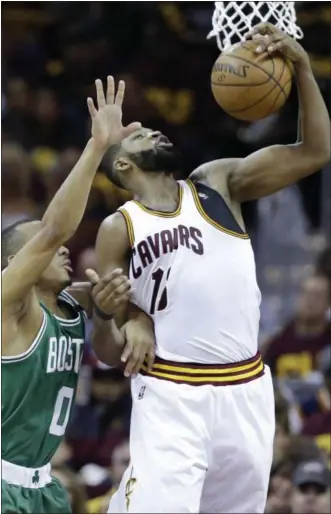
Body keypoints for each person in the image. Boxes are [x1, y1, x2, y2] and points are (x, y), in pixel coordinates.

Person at [90, 24, 330, 513]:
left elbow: (315, 151)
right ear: (121, 168)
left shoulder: (216, 183)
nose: (151, 129)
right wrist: (121, 317)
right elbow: (110, 350)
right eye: (136, 137)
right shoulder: (120, 228)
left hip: (246, 388)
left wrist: (303, 70)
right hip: (173, 390)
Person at [1, 77, 145, 513]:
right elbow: (54, 229)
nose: (62, 248)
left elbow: (113, 340)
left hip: (46, 486)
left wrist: (128, 318)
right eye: (40, 249)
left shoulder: (68, 303)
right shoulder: (9, 303)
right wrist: (97, 147)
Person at [264, 274, 330, 378]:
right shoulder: (278, 341)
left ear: (328, 303)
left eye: (318, 296)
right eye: (305, 294)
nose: (310, 301)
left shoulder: (328, 343)